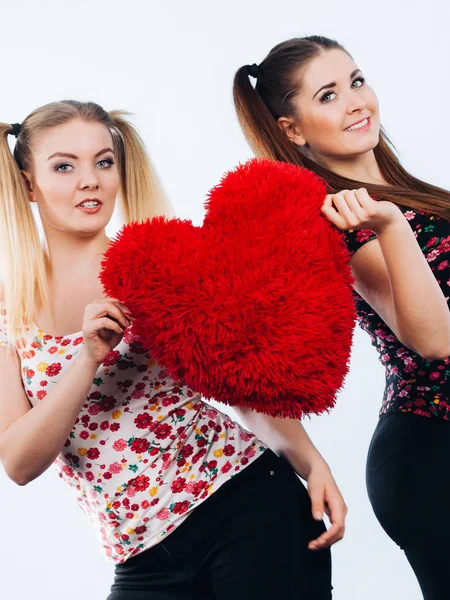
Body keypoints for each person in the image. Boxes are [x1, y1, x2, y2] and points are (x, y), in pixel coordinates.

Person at [0, 99, 346, 600]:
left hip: (245, 505)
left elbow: (240, 381)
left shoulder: (152, 268)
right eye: (63, 166)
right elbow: (18, 462)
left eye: (103, 161)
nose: (90, 180)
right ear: (28, 183)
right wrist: (88, 358)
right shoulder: (9, 311)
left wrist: (313, 464)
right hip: (141, 560)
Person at [233, 35, 450, 600]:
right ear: (293, 130)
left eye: (356, 81)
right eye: (329, 95)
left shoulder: (408, 193)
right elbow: (433, 339)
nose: (356, 101)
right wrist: (393, 227)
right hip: (434, 455)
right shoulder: (339, 220)